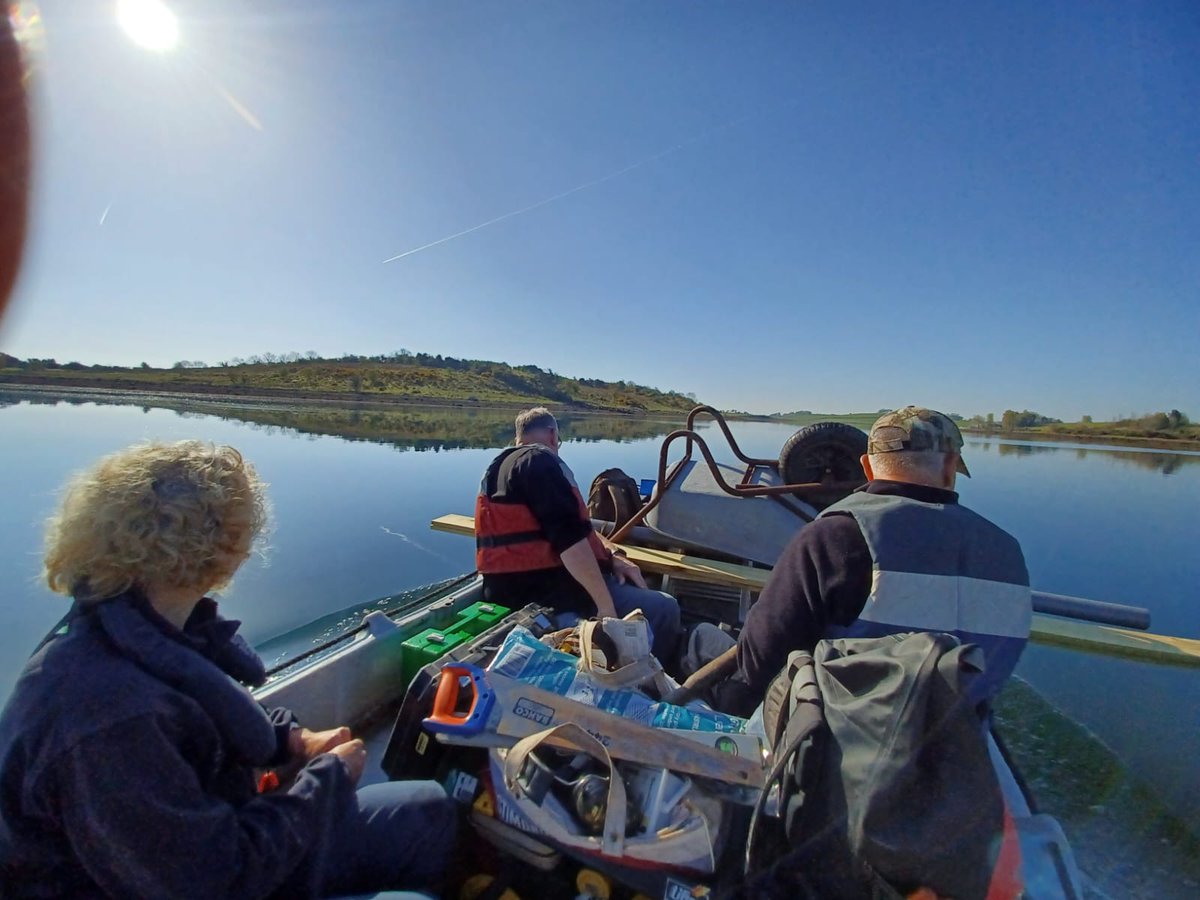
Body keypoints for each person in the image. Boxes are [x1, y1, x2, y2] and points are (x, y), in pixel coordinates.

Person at [0, 441, 455, 899]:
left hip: (216, 836)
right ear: (228, 545)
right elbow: (215, 880)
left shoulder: (134, 627)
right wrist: (327, 780)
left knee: (427, 808)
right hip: (217, 876)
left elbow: (211, 716)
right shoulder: (110, 717)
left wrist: (293, 741)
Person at [719, 406, 1031, 715]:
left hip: (843, 734)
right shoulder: (1007, 551)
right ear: (950, 467)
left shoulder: (834, 537)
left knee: (701, 645)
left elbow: (759, 664)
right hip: (964, 737)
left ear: (867, 468)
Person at [475, 407, 681, 661]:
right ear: (553, 435)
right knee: (664, 608)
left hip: (508, 591)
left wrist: (614, 555)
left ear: (518, 437)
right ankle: (651, 677)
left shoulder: (500, 469)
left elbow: (578, 529)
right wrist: (606, 608)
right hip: (550, 596)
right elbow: (570, 542)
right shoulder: (539, 462)